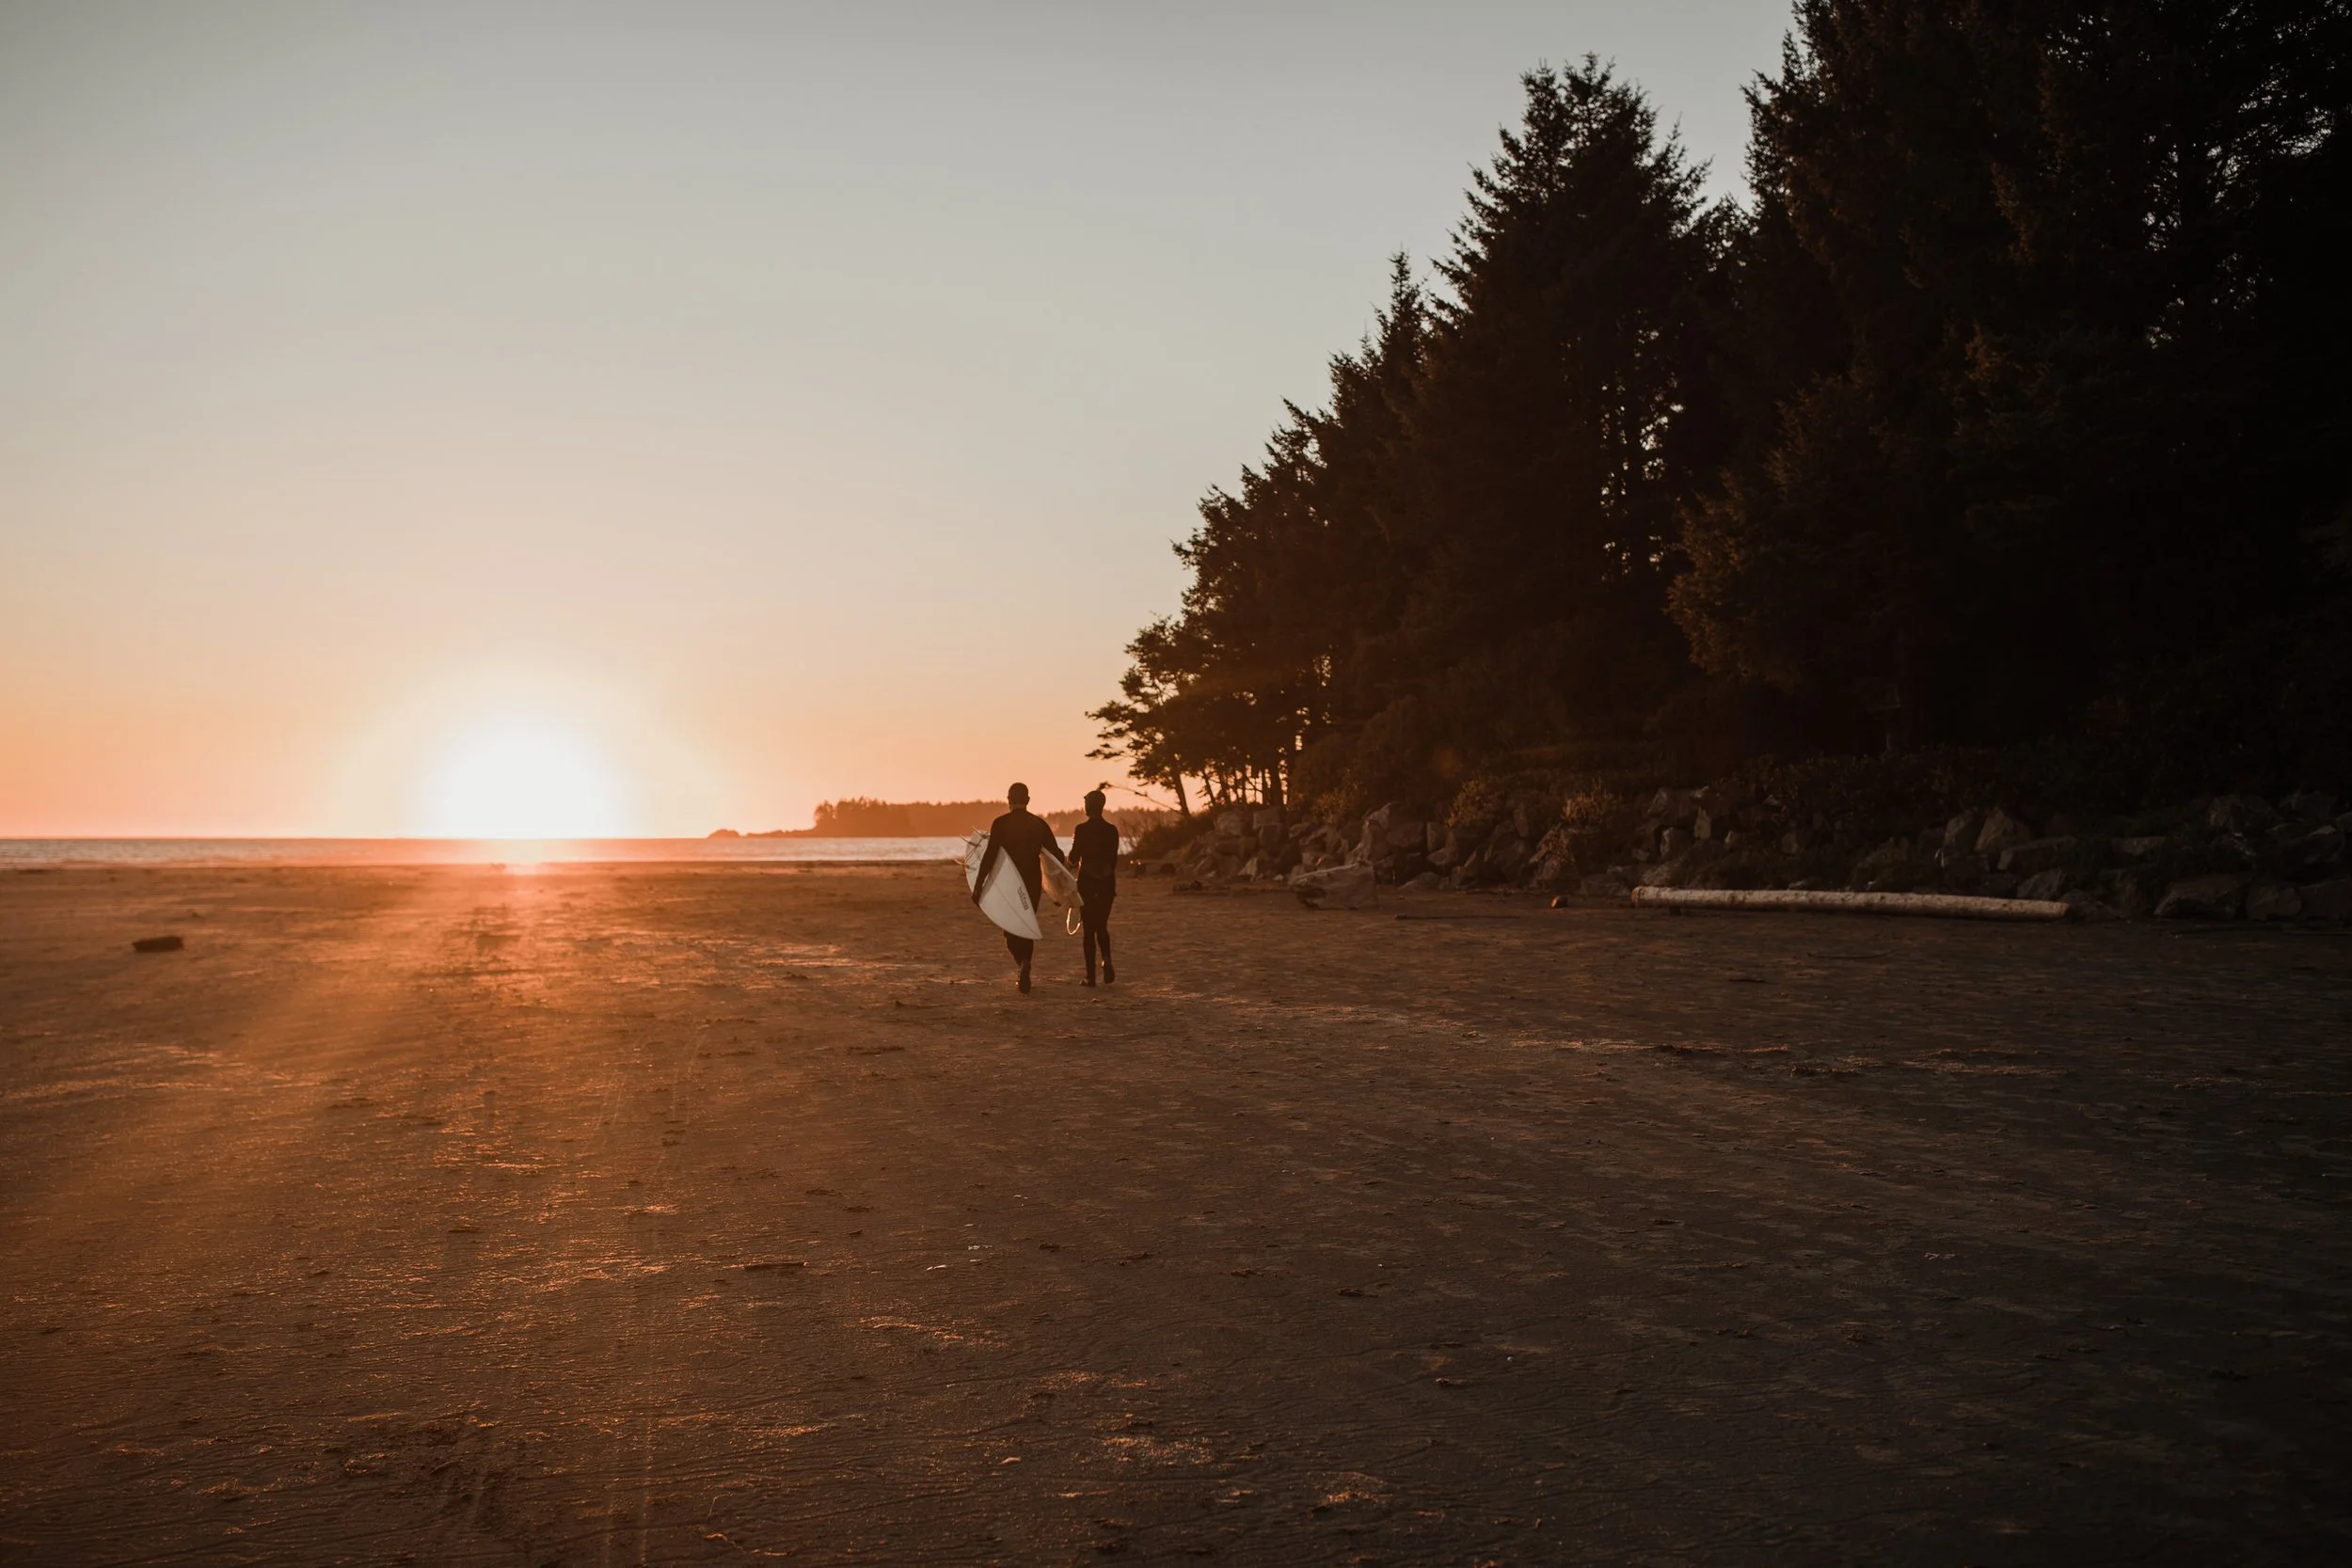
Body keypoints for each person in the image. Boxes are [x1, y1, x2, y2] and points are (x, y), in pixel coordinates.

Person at [970, 782, 1070, 993]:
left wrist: (979, 884)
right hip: (1032, 882)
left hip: (1008, 882)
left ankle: (1022, 963)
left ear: (1009, 800)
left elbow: (989, 857)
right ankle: (1025, 963)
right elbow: (1056, 854)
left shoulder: (1000, 823)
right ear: (1028, 800)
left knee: (1010, 929)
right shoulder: (1038, 824)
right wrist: (1062, 881)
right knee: (1026, 925)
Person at [1065, 789, 1120, 986]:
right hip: (1107, 881)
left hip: (1087, 881)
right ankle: (1107, 961)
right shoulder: (1112, 830)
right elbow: (1113, 861)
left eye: (1086, 803)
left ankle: (1090, 976)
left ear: (1089, 806)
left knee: (1089, 930)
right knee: (1102, 926)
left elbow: (1073, 858)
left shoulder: (1081, 829)